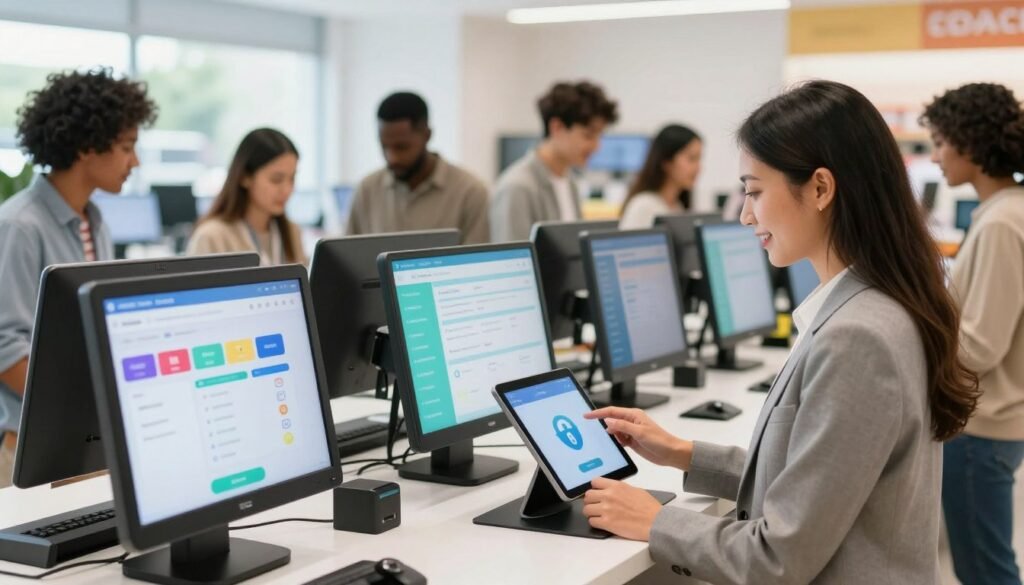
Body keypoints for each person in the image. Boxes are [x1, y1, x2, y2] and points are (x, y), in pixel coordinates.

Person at [581, 80, 978, 584]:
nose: (745, 215)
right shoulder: (877, 306)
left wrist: (655, 520)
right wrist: (683, 452)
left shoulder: (858, 337)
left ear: (819, 189)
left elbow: (778, 557)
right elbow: (816, 477)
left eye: (754, 191)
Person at [0, 68, 157, 487]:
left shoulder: (96, 222)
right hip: (29, 448)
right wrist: (86, 406)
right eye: (127, 147)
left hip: (83, 440)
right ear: (88, 146)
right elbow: (6, 350)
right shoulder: (20, 226)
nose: (135, 161)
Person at [921, 82, 1024, 585]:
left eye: (941, 142)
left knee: (985, 570)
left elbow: (981, 345)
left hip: (981, 428)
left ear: (971, 143)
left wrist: (911, 342)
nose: (936, 156)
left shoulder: (1003, 222)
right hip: (990, 424)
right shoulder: (1004, 212)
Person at [345, 92, 490, 244]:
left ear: (427, 135)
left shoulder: (470, 193)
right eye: (384, 146)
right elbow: (346, 259)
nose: (392, 158)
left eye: (402, 147)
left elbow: (477, 263)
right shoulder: (367, 190)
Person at [490, 81, 619, 242]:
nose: (596, 147)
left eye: (599, 137)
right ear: (557, 127)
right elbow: (510, 262)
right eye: (588, 136)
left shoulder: (569, 180)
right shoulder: (517, 187)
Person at [187, 128, 307, 266]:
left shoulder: (291, 232)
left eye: (292, 179)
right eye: (276, 179)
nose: (287, 190)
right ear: (245, 177)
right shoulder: (211, 237)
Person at [619, 124, 702, 229]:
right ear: (666, 161)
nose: (698, 168)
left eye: (699, 159)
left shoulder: (677, 206)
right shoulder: (643, 206)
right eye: (692, 159)